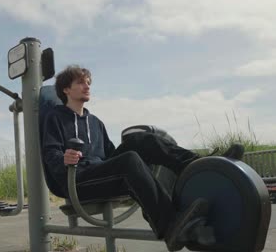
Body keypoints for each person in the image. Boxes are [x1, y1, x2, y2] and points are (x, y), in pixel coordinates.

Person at [41, 65, 244, 251]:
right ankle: (170, 224)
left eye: (88, 83)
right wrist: (64, 158)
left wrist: (135, 155)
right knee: (129, 160)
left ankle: (197, 165)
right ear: (66, 90)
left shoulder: (96, 122)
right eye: (80, 83)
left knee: (140, 140)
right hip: (75, 178)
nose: (87, 86)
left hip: (99, 172)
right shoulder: (55, 117)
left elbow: (110, 156)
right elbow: (51, 153)